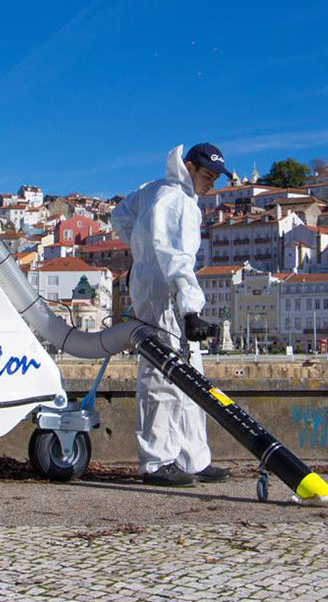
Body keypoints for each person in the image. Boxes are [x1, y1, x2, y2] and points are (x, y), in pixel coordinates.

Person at [111, 143, 232, 487]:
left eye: (216, 178)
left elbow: (119, 216)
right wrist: (191, 308)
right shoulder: (176, 200)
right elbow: (176, 257)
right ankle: (157, 461)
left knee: (190, 375)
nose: (211, 184)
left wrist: (139, 249)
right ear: (189, 167)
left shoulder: (153, 190)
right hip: (165, 293)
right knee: (162, 376)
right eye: (207, 176)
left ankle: (191, 457)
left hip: (153, 283)